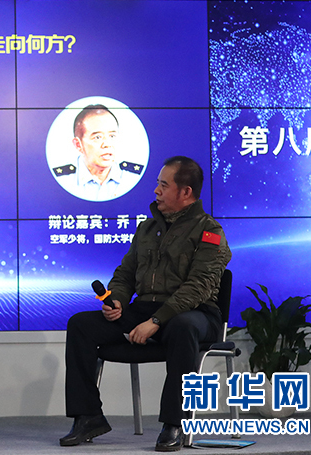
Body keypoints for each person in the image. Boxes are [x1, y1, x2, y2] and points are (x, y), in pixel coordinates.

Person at [60, 156, 231, 452]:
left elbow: (198, 287)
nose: (156, 191)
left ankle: (174, 423)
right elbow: (125, 274)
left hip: (195, 313)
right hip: (145, 310)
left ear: (186, 192)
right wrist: (117, 300)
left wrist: (156, 321)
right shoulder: (147, 229)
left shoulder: (210, 231)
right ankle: (88, 416)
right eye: (157, 184)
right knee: (81, 325)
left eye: (164, 185)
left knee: (182, 326)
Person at [53, 104, 144, 201]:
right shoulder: (61, 179)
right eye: (98, 137)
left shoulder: (134, 176)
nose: (107, 144)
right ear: (78, 144)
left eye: (112, 136)